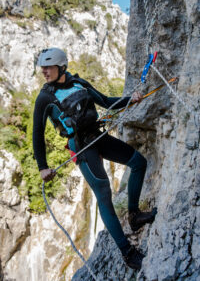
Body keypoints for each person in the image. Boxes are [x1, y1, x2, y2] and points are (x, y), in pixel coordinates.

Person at [33, 47, 157, 270]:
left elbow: (107, 101)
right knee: (104, 194)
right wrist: (43, 167)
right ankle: (127, 253)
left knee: (139, 163)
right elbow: (37, 134)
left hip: (97, 136)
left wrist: (131, 99)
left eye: (48, 67)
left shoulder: (80, 83)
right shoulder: (45, 98)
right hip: (81, 147)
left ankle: (134, 215)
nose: (44, 71)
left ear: (61, 67)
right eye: (42, 67)